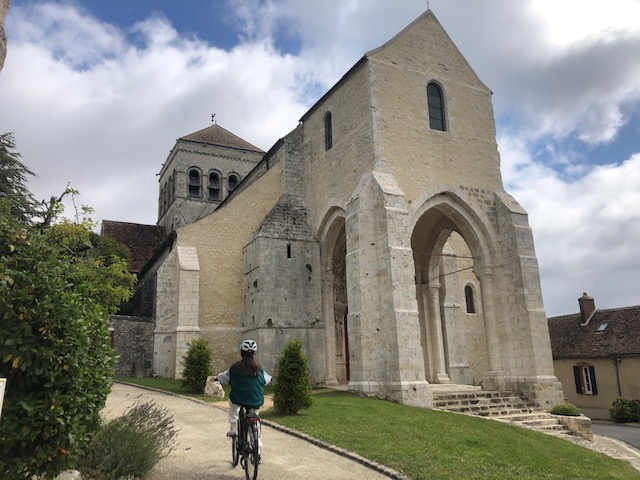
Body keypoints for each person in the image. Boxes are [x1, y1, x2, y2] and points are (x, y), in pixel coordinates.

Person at [216, 339, 272, 437]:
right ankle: (257, 441)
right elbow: (266, 379)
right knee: (254, 416)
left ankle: (233, 427)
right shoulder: (259, 368)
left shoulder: (236, 367)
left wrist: (217, 378)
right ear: (254, 353)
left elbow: (224, 377)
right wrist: (270, 379)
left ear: (241, 352)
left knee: (233, 405)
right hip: (256, 399)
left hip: (239, 398)